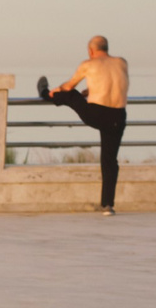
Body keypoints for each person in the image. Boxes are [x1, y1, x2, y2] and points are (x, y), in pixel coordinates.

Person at [38, 37, 130, 214]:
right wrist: (93, 90)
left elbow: (69, 85)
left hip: (96, 114)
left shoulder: (88, 64)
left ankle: (45, 93)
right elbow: (116, 84)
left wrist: (56, 90)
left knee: (71, 94)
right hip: (118, 116)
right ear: (107, 48)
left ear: (91, 51)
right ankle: (107, 205)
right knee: (110, 161)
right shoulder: (121, 62)